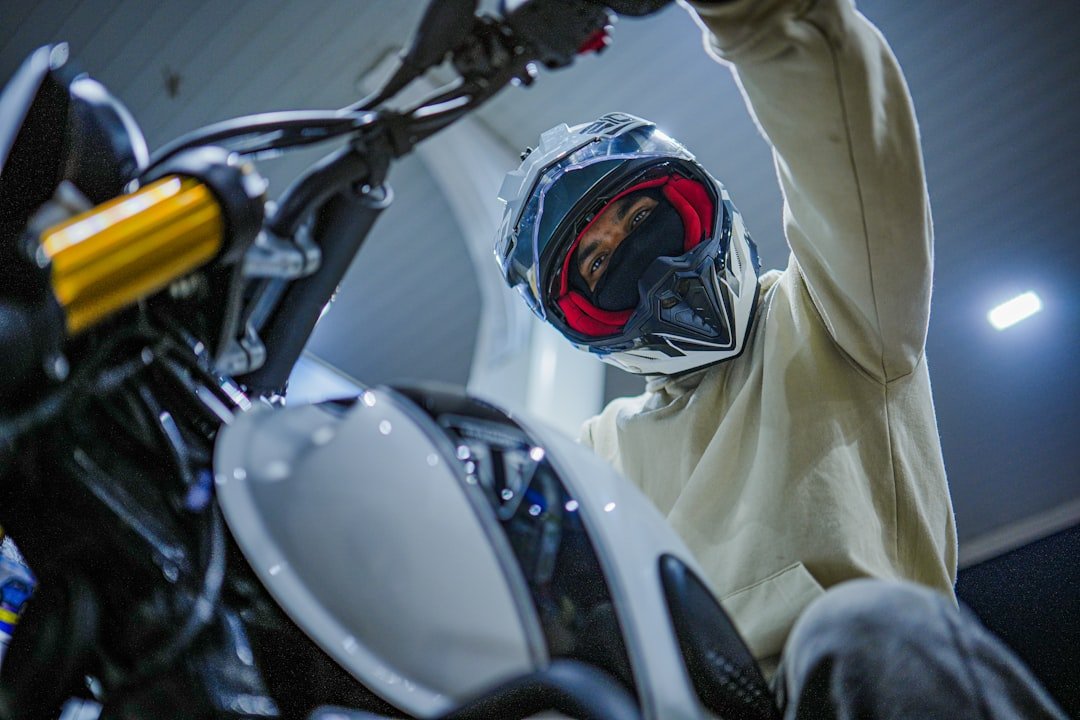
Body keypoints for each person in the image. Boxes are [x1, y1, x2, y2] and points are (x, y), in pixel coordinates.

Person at [494, 0, 1068, 717]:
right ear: (584, 316)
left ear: (699, 204)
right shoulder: (593, 454)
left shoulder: (833, 313)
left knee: (859, 626)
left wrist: (754, 16)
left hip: (860, 686)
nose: (637, 261)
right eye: (599, 264)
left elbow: (841, 135)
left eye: (644, 219)